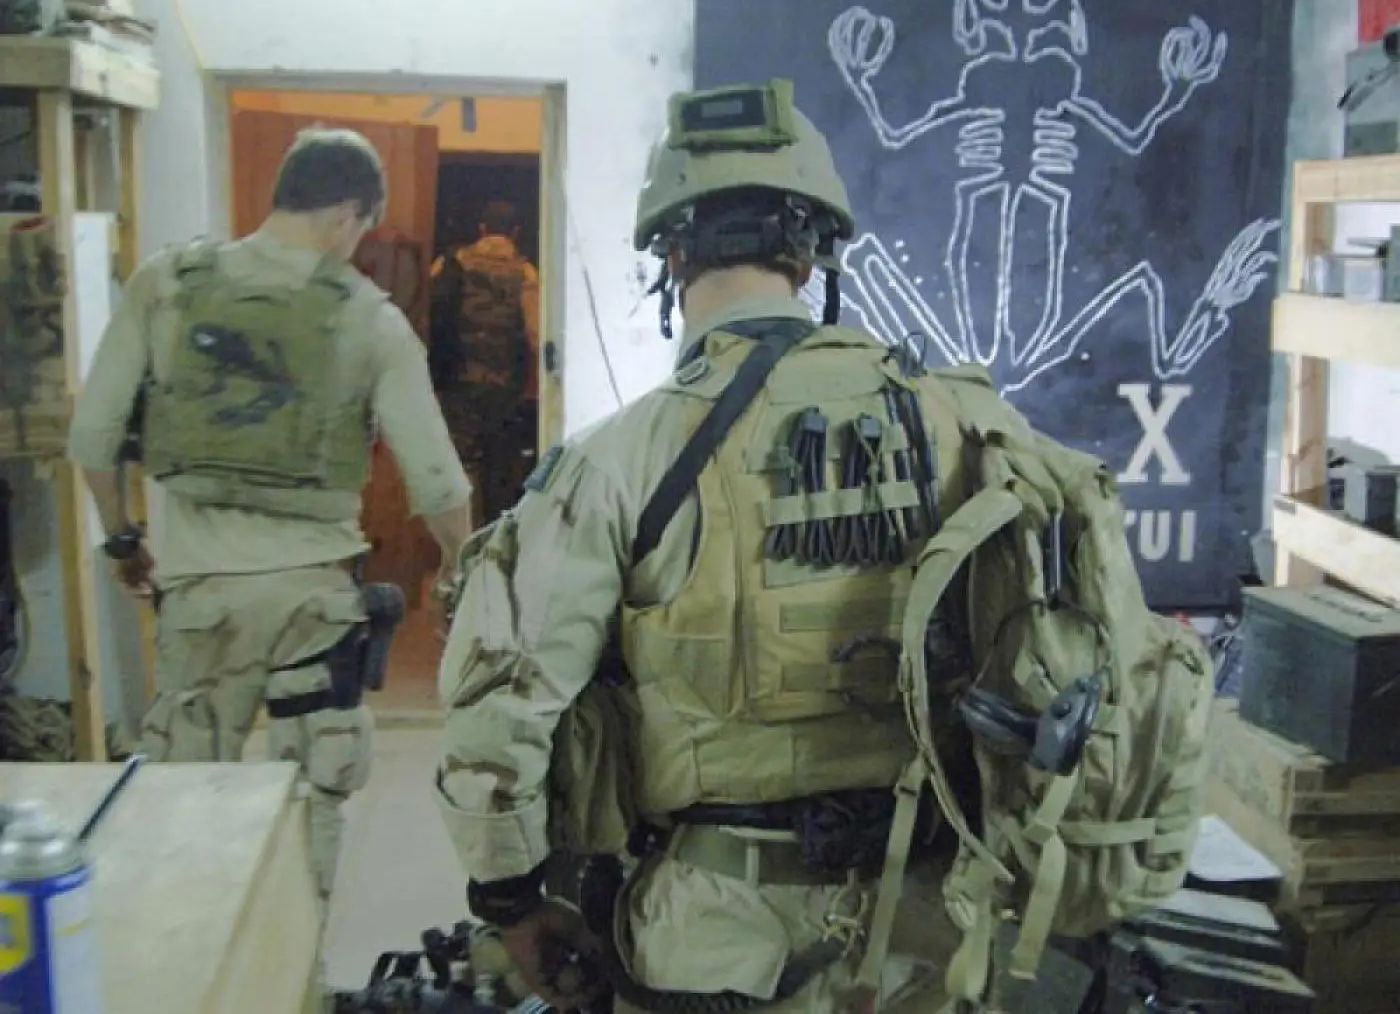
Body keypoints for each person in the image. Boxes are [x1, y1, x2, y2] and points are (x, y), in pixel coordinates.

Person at [432, 80, 989, 1014]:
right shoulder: (961, 425)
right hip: (932, 932)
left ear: (672, 255)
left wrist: (511, 901)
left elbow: (501, 710)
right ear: (811, 255)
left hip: (716, 940)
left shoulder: (617, 460)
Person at [67, 126, 475, 914]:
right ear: (347, 215)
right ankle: (295, 958)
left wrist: (123, 540)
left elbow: (92, 438)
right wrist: (459, 569)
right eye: (360, 230)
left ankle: (198, 950)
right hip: (312, 606)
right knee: (310, 796)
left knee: (184, 799)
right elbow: (437, 480)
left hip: (199, 596)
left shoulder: (167, 284)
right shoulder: (369, 317)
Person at [429, 199, 541, 525]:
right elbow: (536, 334)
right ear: (515, 232)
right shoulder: (525, 272)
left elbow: (428, 313)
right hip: (503, 385)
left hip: (457, 380)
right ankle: (491, 533)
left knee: (461, 461)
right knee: (498, 465)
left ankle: (460, 532)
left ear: (481, 229)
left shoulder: (451, 263)